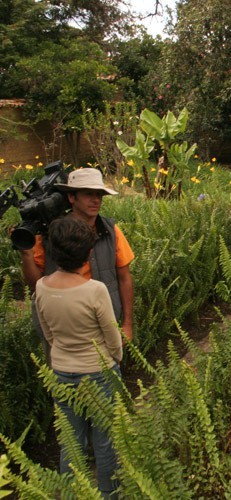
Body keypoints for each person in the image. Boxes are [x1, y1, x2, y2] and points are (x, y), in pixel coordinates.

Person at [35, 217, 122, 497]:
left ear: (53, 251)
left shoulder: (42, 286)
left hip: (61, 372)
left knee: (70, 441)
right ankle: (109, 493)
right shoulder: (94, 290)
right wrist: (115, 361)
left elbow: (48, 334)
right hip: (99, 373)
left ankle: (72, 494)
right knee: (105, 440)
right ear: (87, 253)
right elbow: (112, 336)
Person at [19, 168, 134, 347]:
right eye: (89, 194)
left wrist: (127, 324)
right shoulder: (51, 233)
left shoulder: (111, 232)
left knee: (107, 371)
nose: (96, 200)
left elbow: (125, 278)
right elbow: (36, 286)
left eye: (99, 195)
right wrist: (26, 254)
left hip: (103, 323)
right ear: (72, 197)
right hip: (61, 330)